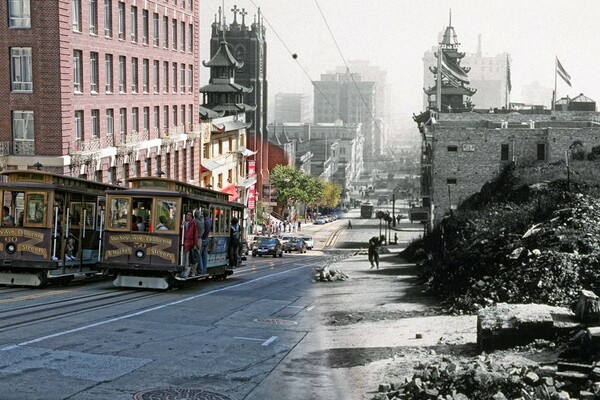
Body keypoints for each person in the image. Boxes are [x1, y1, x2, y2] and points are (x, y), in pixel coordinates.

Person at [178, 211, 198, 278]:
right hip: (183, 243)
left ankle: (186, 273)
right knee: (182, 258)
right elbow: (180, 233)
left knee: (187, 259)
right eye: (187, 215)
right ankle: (182, 271)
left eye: (190, 215)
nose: (189, 216)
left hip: (189, 244)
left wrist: (195, 243)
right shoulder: (182, 222)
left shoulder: (193, 223)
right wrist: (181, 226)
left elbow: (195, 234)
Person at [200, 209, 212, 275]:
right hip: (207, 238)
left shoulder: (204, 221)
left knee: (199, 255)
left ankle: (201, 270)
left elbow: (203, 230)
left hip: (203, 239)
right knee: (204, 255)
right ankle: (204, 270)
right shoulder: (210, 220)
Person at [194, 210, 205, 274]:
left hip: (196, 239)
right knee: (198, 254)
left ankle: (195, 270)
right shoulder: (202, 222)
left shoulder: (195, 221)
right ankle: (199, 269)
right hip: (200, 239)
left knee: (195, 255)